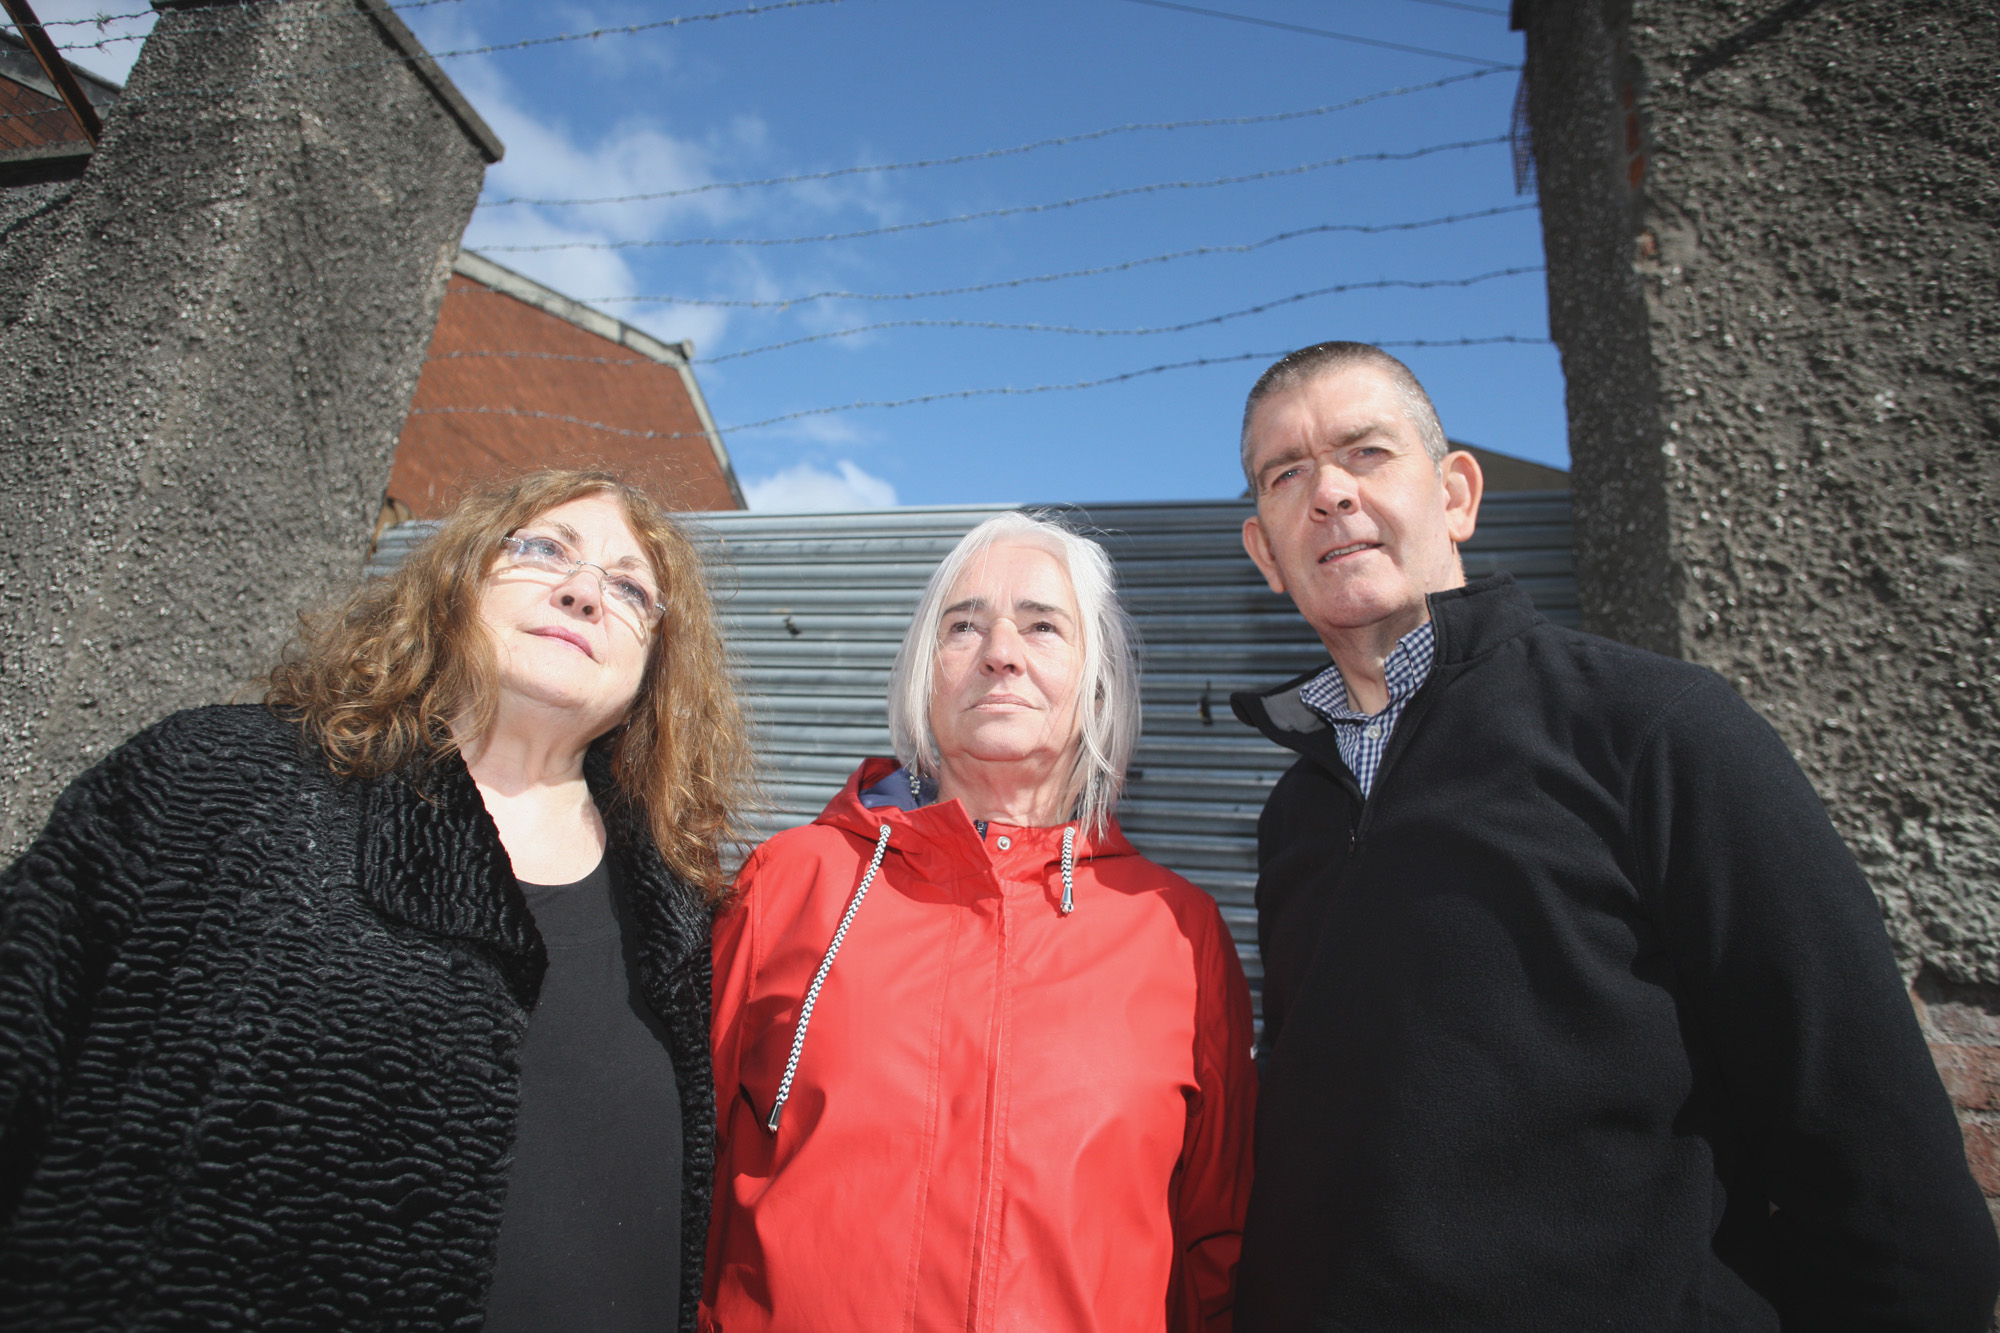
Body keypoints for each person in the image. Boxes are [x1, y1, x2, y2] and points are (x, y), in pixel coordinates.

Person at [1225, 341, 2000, 1330]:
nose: (1327, 491)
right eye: (1285, 473)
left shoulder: (1657, 729)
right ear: (1263, 551)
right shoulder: (1295, 809)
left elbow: (1873, 1150)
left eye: (1365, 452)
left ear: (1456, 493)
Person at [0, 469, 751, 1332]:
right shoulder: (220, 785)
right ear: (458, 575)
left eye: (631, 588)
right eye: (545, 549)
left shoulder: (684, 916)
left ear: (659, 665)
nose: (585, 591)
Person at [704, 512, 1256, 1332]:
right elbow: (677, 1178)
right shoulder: (790, 881)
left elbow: (1215, 1247)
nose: (1001, 650)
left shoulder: (1180, 933)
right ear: (925, 674)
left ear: (1097, 684)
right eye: (964, 625)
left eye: (1042, 625)